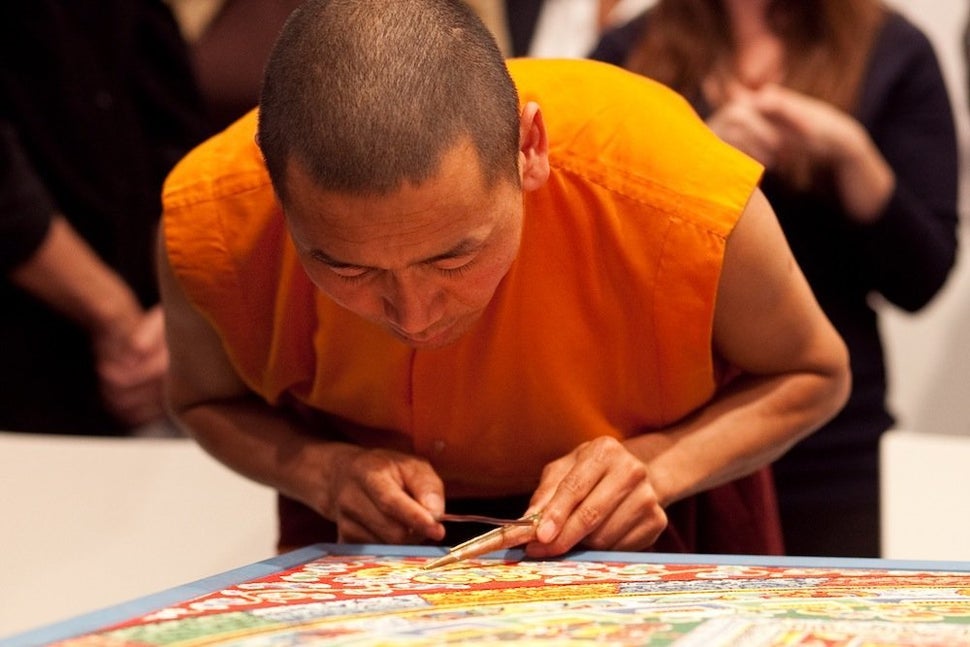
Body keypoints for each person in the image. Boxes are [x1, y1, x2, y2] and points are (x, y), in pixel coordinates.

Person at [159, 0, 850, 557]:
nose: (415, 313)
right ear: (273, 185)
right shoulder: (214, 218)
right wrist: (321, 470)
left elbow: (815, 372)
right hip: (373, 541)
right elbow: (204, 401)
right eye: (346, 265)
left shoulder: (671, 190)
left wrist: (658, 465)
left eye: (453, 256)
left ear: (530, 149)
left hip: (641, 529)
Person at [591, 0, 959, 557]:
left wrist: (853, 157)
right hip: (665, 442)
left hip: (831, 445)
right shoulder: (630, 50)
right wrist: (701, 161)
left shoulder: (894, 50)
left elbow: (923, 278)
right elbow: (595, 253)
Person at [0, 1, 210, 435]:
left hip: (151, 343)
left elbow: (177, 139)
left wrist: (179, 311)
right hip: (24, 355)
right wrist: (116, 318)